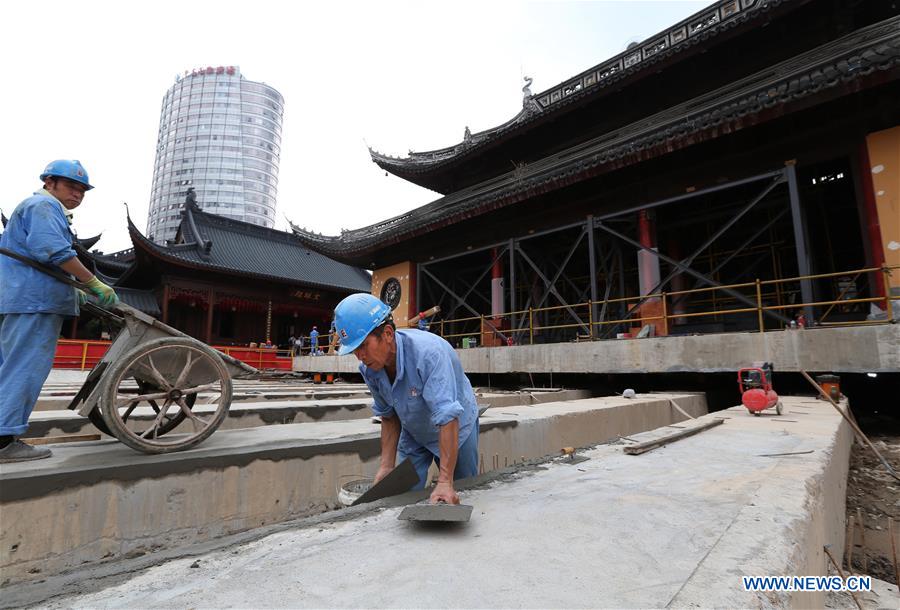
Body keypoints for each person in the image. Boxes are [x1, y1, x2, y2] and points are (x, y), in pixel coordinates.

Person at [0, 160, 119, 462]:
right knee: (26, 368)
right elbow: (54, 251)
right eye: (71, 186)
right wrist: (92, 282)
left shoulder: (38, 207)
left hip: (22, 299)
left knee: (10, 366)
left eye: (82, 190)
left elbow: (39, 258)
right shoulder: (43, 206)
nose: (77, 194)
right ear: (49, 182)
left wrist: (73, 289)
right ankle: (4, 441)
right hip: (34, 302)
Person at [333, 293, 479, 504]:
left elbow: (447, 416)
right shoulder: (370, 369)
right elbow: (389, 416)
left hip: (456, 426)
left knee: (464, 491)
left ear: (388, 334)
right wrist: (386, 466)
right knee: (402, 496)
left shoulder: (428, 354)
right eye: (355, 350)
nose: (360, 356)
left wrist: (445, 481)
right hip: (414, 429)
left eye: (363, 346)